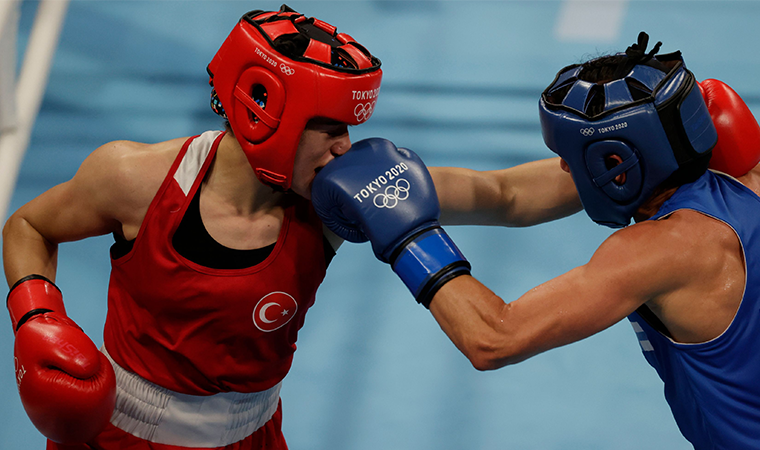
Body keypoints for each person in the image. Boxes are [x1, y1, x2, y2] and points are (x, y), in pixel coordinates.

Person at [2, 5, 580, 449]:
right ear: (263, 112)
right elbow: (28, 225)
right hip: (114, 436)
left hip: (252, 436)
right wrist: (37, 317)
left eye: (349, 128)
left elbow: (504, 195)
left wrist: (627, 165)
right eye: (327, 128)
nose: (345, 147)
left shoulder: (337, 199)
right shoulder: (135, 180)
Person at [311, 32, 760, 450]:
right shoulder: (736, 179)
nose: (564, 170)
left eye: (570, 160)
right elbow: (508, 196)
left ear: (617, 165)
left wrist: (407, 236)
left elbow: (494, 338)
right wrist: (390, 187)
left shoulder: (659, 249)